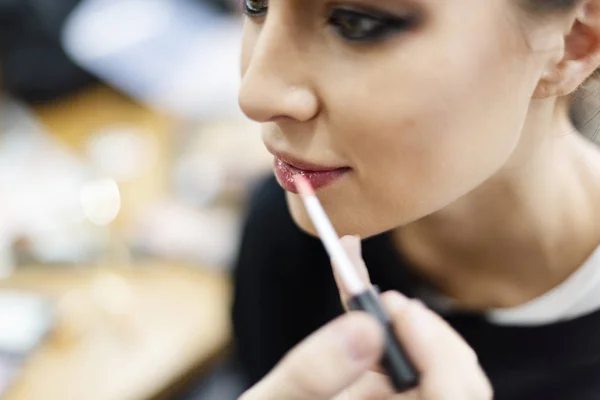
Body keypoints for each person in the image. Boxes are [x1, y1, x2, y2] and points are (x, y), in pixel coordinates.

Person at [232, 0, 600, 399]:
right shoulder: (291, 224)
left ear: (573, 43)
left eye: (356, 22)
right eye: (257, 4)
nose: (254, 95)